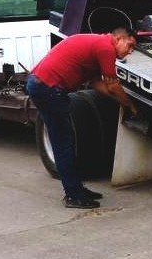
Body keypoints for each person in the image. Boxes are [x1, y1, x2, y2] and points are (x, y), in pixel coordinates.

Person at [26, 27, 139, 208]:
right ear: (118, 38)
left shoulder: (96, 46)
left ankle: (77, 188)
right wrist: (130, 105)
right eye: (130, 45)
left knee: (66, 140)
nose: (130, 51)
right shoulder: (105, 48)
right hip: (48, 88)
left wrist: (119, 100)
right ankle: (73, 195)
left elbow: (97, 84)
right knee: (63, 142)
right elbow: (112, 85)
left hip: (43, 85)